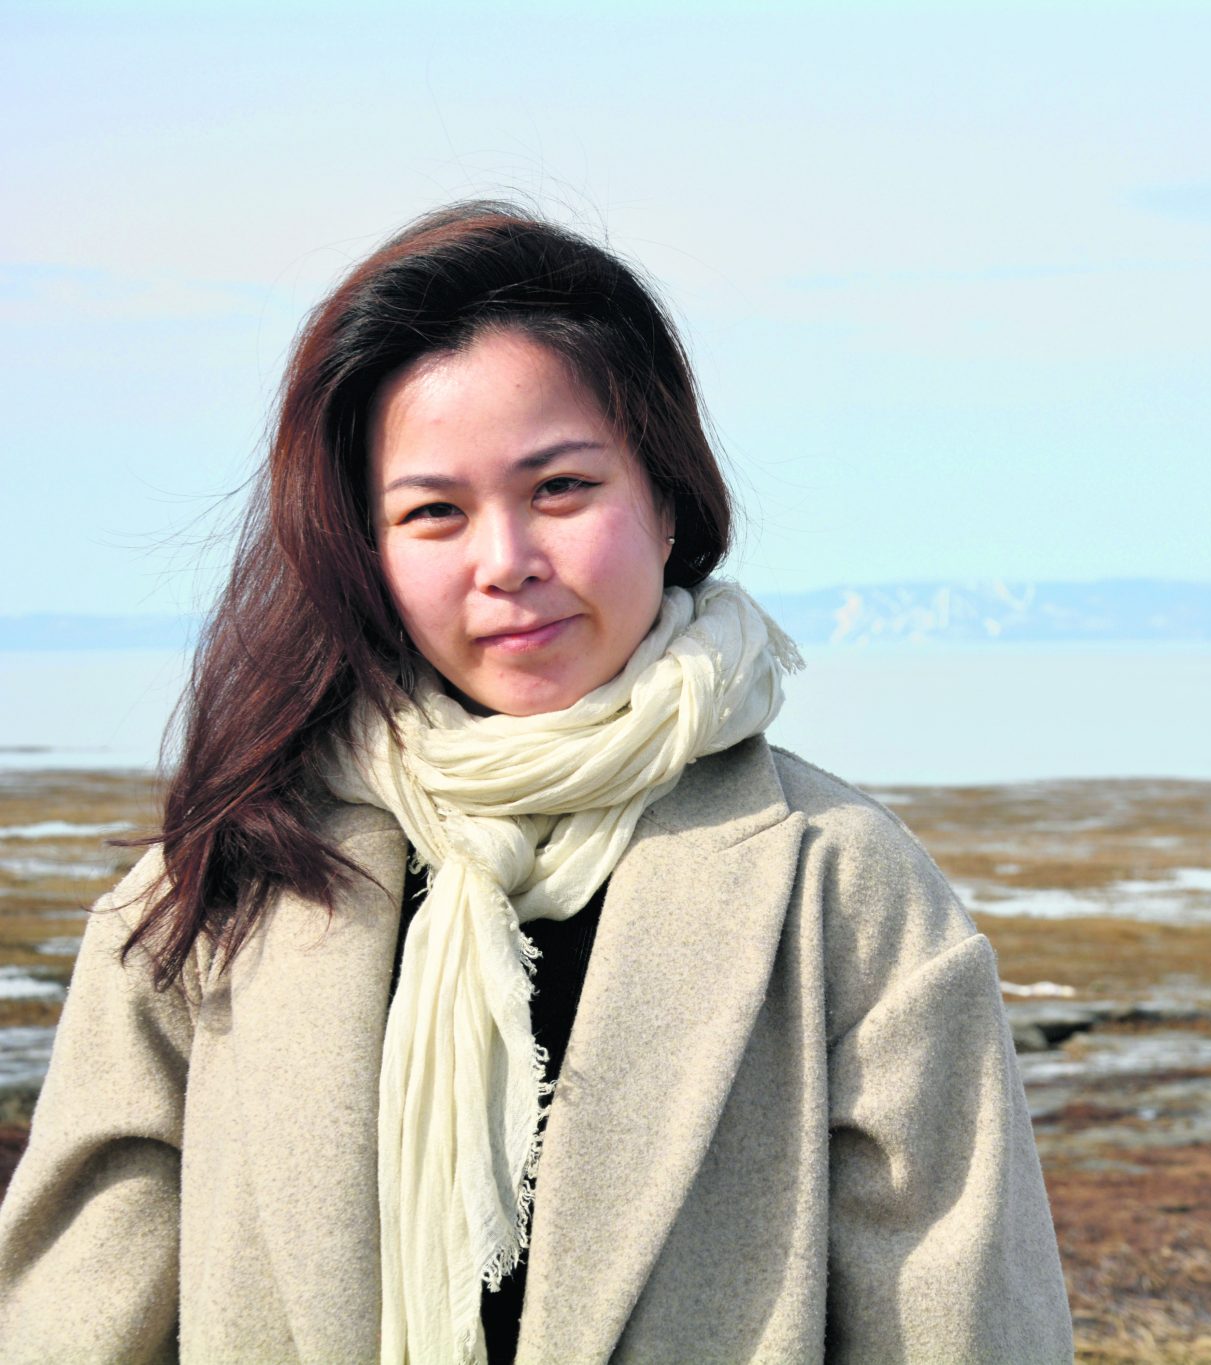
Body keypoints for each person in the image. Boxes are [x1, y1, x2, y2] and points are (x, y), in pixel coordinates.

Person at [0, 202, 1073, 1363]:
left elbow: (966, 1330)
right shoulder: (222, 886)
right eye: (433, 513)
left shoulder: (840, 888)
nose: (506, 563)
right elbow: (70, 1325)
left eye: (559, 488)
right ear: (367, 553)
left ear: (667, 499)